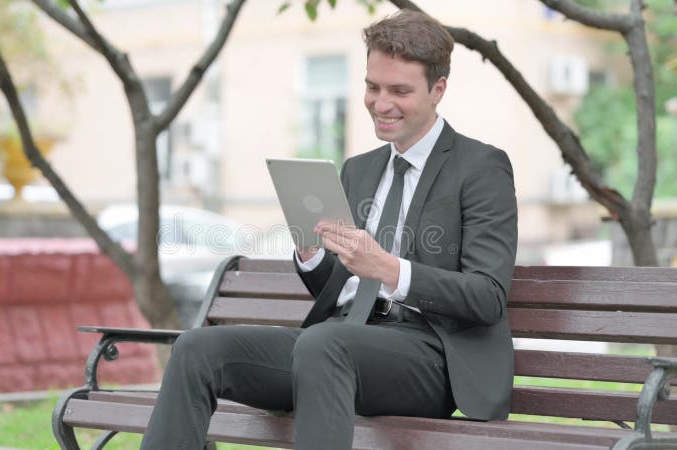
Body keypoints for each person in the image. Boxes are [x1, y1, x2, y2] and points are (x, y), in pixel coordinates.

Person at [140, 9, 517, 450]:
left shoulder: (480, 168)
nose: (381, 103)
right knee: (196, 350)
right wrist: (313, 255)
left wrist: (391, 269)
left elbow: (487, 296)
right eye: (372, 87)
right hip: (337, 342)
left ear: (438, 90)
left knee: (325, 343)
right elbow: (343, 289)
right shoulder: (360, 169)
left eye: (399, 90)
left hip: (430, 358)